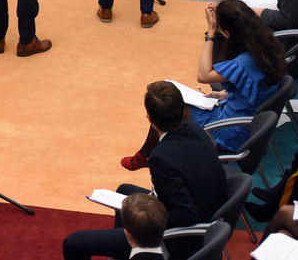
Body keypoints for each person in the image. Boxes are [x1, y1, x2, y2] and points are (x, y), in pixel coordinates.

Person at [63, 81, 225, 260]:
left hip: (182, 237)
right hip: (208, 212)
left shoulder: (161, 157)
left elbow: (185, 214)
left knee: (73, 242)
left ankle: (135, 245)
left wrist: (142, 220)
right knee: (124, 190)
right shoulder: (195, 129)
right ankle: (128, 253)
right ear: (182, 109)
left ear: (150, 119)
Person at [123, 0, 284, 171]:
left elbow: (203, 75)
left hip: (232, 131)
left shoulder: (242, 64)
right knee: (172, 101)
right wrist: (226, 95)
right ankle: (152, 154)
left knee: (166, 103)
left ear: (227, 32)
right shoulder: (267, 46)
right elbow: (258, 88)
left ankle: (147, 156)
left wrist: (211, 33)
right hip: (246, 118)